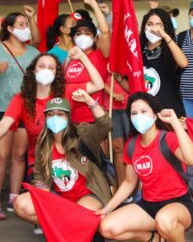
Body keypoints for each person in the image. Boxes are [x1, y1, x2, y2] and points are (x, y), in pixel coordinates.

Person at [97, 93, 193, 242]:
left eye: (143, 111)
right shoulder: (131, 145)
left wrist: (175, 123)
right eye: (134, 113)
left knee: (165, 220)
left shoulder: (167, 138)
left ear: (155, 114)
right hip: (149, 205)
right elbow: (129, 182)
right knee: (107, 228)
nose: (139, 116)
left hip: (179, 203)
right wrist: (107, 209)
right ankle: (153, 238)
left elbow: (192, 159)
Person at [13, 93, 112, 225]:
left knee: (78, 214)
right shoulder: (42, 145)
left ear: (68, 117)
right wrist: (43, 194)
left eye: (60, 114)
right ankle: (64, 226)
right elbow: (40, 178)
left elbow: (105, 125)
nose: (55, 118)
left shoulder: (83, 134)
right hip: (61, 198)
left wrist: (89, 101)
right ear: (46, 118)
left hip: (90, 195)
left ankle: (64, 225)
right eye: (50, 114)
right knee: (21, 205)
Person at [0, 12, 40, 219]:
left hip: (27, 109)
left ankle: (14, 197)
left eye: (26, 24)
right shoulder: (0, 48)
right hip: (3, 109)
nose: (25, 28)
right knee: (2, 156)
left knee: (18, 155)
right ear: (9, 28)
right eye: (21, 24)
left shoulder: (33, 52)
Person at [64, 4, 110, 123]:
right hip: (71, 119)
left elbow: (105, 32)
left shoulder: (100, 55)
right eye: (78, 34)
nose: (82, 36)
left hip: (94, 117)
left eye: (87, 33)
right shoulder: (69, 58)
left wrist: (94, 5)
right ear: (73, 38)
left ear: (95, 38)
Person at [141, 8, 187, 117]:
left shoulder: (171, 49)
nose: (154, 28)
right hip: (146, 113)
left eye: (159, 25)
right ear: (144, 26)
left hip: (170, 112)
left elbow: (184, 63)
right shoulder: (137, 51)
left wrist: (166, 36)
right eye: (150, 24)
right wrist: (119, 78)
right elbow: (134, 85)